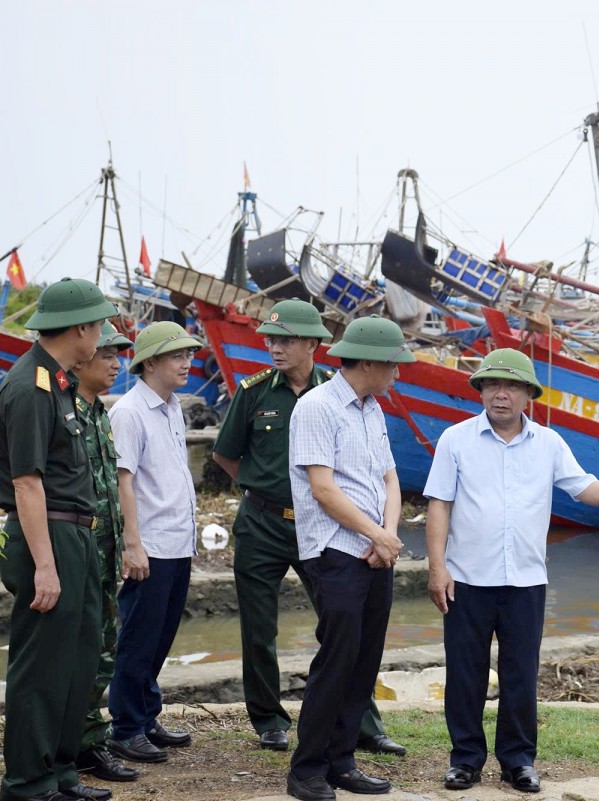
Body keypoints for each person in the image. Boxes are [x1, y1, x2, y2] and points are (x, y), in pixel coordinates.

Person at [424, 348, 599, 794]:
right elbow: (439, 504)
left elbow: (586, 488)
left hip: (526, 581)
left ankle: (518, 761)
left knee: (521, 674)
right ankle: (465, 760)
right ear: (480, 391)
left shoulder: (549, 444)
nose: (499, 395)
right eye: (490, 385)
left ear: (529, 394)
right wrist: (437, 567)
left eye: (510, 387)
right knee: (464, 674)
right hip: (467, 578)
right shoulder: (456, 440)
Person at [211, 300, 405, 756]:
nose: (276, 348)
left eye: (287, 340)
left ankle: (363, 723)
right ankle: (269, 720)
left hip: (324, 528)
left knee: (344, 625)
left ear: (314, 345)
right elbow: (226, 454)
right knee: (259, 628)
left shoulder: (344, 393)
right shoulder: (255, 392)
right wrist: (262, 490)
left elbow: (383, 474)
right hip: (264, 522)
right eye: (272, 340)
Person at [0, 277, 117, 801]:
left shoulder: (60, 384)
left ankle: (60, 769)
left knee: (78, 659)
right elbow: (26, 482)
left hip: (78, 534)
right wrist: (44, 564)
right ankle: (27, 780)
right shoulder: (29, 388)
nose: (103, 338)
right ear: (81, 328)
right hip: (50, 537)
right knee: (43, 665)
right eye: (100, 326)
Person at [284, 316, 414, 801]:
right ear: (369, 362)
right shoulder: (317, 407)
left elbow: (389, 480)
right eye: (393, 365)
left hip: (375, 551)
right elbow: (321, 488)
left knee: (364, 661)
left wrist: (388, 537)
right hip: (337, 551)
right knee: (336, 661)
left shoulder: (371, 409)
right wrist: (377, 534)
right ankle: (307, 769)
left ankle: (342, 761)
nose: (398, 374)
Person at [106, 321, 204, 764]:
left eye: (187, 354)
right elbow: (122, 480)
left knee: (161, 636)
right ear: (149, 363)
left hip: (177, 540)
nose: (187, 363)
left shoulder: (173, 406)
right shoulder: (129, 411)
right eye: (176, 356)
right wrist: (133, 544)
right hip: (151, 544)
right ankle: (125, 728)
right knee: (138, 638)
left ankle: (146, 716)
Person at [73, 322, 140, 785]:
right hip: (78, 552)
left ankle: (91, 742)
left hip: (103, 553)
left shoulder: (99, 412)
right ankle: (73, 747)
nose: (117, 364)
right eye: (109, 355)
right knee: (79, 655)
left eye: (120, 355)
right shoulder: (66, 410)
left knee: (102, 651)